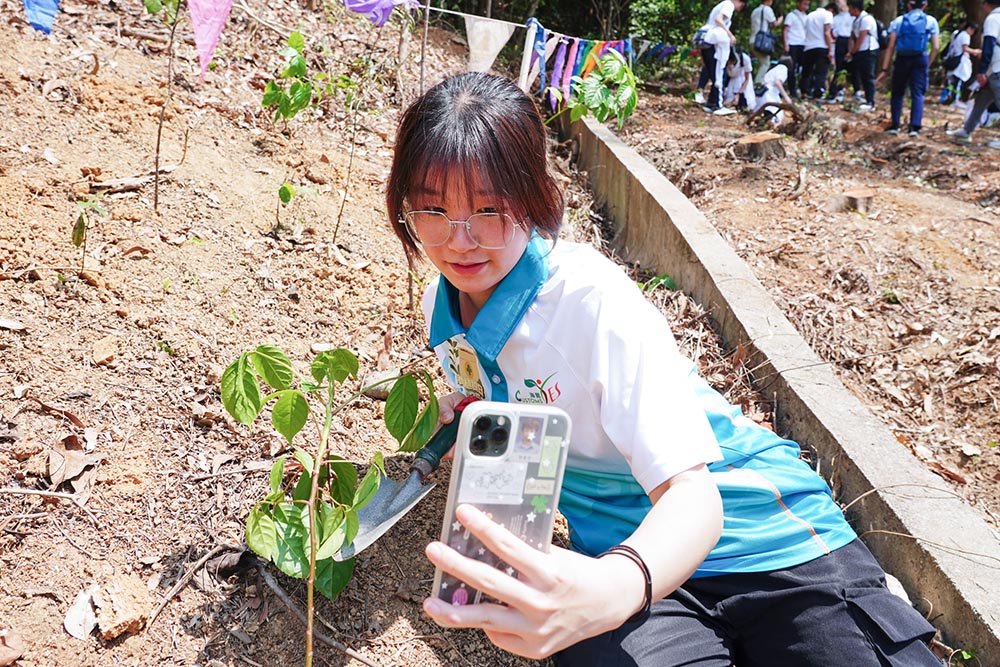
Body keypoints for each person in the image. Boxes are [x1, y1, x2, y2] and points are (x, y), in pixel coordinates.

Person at [387, 70, 944, 667]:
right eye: (433, 210)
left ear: (534, 197)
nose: (460, 240)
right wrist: (474, 414)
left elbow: (695, 497)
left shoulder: (588, 299)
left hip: (766, 547)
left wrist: (609, 591)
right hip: (630, 558)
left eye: (489, 209)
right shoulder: (443, 308)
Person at [877, 0, 940, 136]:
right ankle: (914, 128)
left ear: (908, 5)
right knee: (918, 93)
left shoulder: (899, 21)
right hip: (920, 58)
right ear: (925, 5)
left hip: (902, 58)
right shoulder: (931, 21)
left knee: (897, 92)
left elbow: (891, 46)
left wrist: (884, 68)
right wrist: (928, 62)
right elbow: (935, 46)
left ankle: (895, 125)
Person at [948, 0, 1000, 146]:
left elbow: (990, 43)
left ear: (986, 4)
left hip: (996, 67)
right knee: (982, 99)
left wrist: (981, 70)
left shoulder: (992, 19)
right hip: (994, 68)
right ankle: (967, 130)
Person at [699, 0, 746, 114]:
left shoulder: (722, 4)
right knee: (720, 74)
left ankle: (711, 103)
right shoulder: (729, 5)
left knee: (715, 74)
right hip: (714, 44)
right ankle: (717, 105)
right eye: (741, 5)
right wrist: (730, 35)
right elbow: (718, 19)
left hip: (707, 41)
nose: (739, 8)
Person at [847, 0, 880, 110]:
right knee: (860, 75)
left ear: (855, 9)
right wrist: (851, 50)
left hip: (868, 50)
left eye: (850, 8)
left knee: (868, 76)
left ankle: (871, 102)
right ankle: (866, 98)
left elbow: (861, 37)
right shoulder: (856, 20)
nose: (848, 10)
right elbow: (852, 36)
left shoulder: (866, 19)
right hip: (860, 51)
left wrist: (853, 51)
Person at [800, 2, 836, 99]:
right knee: (821, 72)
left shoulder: (809, 15)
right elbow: (827, 32)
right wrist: (830, 49)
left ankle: (804, 91)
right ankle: (818, 93)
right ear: (832, 10)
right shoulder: (828, 15)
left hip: (808, 46)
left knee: (807, 71)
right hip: (822, 46)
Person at [826, 0, 856, 101]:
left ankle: (857, 91)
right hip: (840, 42)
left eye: (839, 1)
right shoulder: (835, 18)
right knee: (839, 67)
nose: (838, 4)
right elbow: (831, 32)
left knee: (853, 68)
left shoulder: (852, 16)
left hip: (850, 40)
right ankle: (836, 90)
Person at [750, 0, 784, 83]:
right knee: (765, 64)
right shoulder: (767, 9)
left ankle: (759, 82)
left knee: (761, 63)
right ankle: (757, 84)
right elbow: (774, 23)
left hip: (753, 40)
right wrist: (780, 20)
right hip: (762, 42)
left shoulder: (755, 11)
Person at [783, 0, 811, 97]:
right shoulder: (791, 15)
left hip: (804, 44)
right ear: (798, 3)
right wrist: (786, 44)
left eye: (807, 4)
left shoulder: (807, 17)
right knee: (791, 68)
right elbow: (786, 30)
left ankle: (804, 90)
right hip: (793, 43)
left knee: (805, 68)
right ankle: (792, 90)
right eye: (804, 4)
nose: (806, 6)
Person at [754, 56, 796, 121]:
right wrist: (786, 97)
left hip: (762, 93)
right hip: (769, 94)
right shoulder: (783, 68)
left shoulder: (774, 69)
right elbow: (777, 82)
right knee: (775, 114)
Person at [725, 46, 758, 110]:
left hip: (743, 79)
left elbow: (746, 79)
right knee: (729, 100)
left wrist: (738, 94)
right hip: (732, 81)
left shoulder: (745, 59)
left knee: (748, 102)